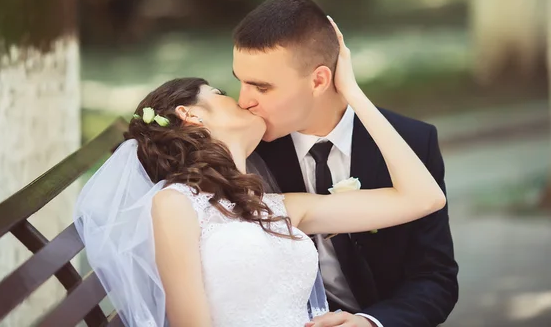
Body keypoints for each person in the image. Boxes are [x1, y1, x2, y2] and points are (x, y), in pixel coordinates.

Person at [75, 17, 446, 327]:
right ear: (190, 114)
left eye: (257, 85)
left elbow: (424, 199)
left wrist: (351, 91)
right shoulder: (175, 204)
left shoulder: (282, 207)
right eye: (223, 90)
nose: (243, 98)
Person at [233, 0, 459, 327]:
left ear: (319, 80)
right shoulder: (243, 152)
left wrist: (371, 322)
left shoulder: (411, 142)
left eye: (261, 88)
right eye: (240, 81)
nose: (244, 101)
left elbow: (435, 276)